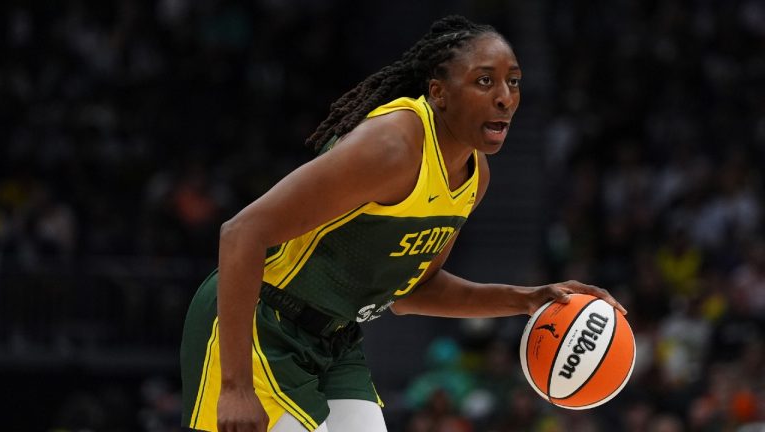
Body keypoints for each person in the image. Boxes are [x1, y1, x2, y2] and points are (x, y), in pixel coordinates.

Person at [180, 15, 627, 432]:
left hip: (335, 340)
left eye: (513, 82)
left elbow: (414, 290)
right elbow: (241, 233)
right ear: (438, 93)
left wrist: (529, 300)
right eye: (484, 81)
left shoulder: (474, 176)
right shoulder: (391, 147)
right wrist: (236, 386)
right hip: (260, 323)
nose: (504, 97)